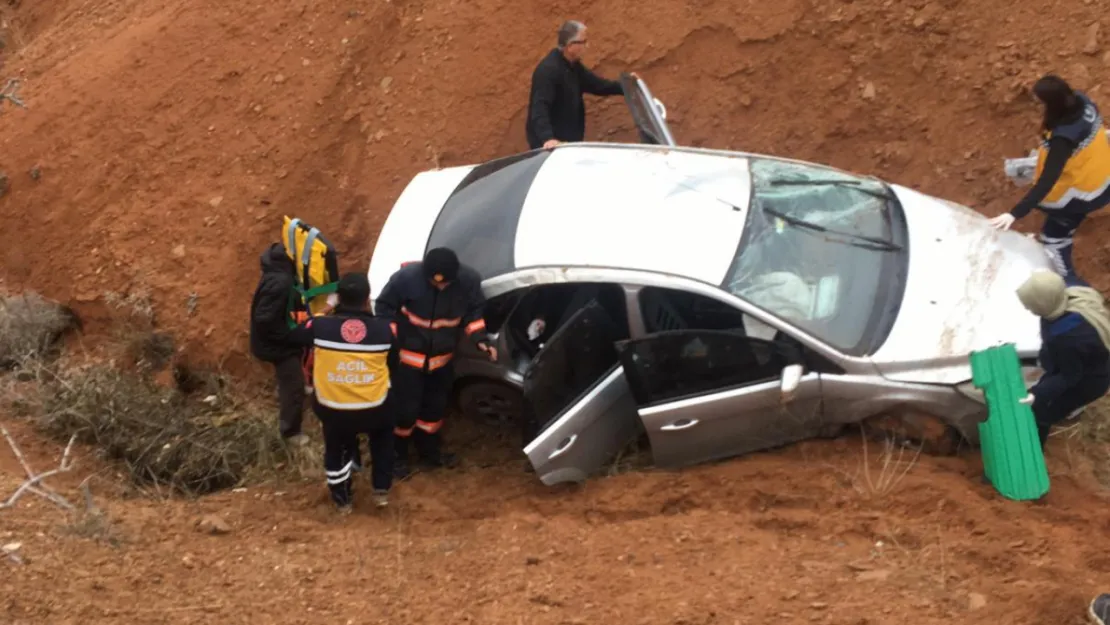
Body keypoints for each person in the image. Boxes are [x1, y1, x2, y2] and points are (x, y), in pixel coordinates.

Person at [374, 247, 497, 477]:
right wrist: (390, 340)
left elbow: (474, 313)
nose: (440, 287)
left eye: (445, 284)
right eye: (435, 283)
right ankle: (397, 456)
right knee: (404, 413)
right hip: (407, 361)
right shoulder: (405, 279)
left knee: (434, 411)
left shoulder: (469, 281)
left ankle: (429, 452)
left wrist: (480, 340)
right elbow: (384, 308)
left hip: (442, 361)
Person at [289, 272, 396, 513]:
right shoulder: (385, 329)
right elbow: (394, 364)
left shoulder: (318, 326)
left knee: (336, 445)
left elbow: (295, 336)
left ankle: (342, 499)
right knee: (383, 438)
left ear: (338, 298)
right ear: (368, 299)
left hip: (332, 407)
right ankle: (381, 491)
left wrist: (325, 311)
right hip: (374, 407)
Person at [989, 74, 1110, 277]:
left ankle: (1068, 281)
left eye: (1040, 101)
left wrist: (1014, 213)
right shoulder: (1083, 102)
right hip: (1100, 175)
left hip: (1077, 196)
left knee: (1055, 238)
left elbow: (1047, 181)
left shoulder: (1062, 139)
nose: (1036, 104)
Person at [1015, 269, 1110, 446]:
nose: (1028, 309)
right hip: (1086, 362)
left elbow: (1070, 376)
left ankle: (1034, 446)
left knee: (1043, 411)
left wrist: (1037, 394)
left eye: (1030, 305)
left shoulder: (1067, 339)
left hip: (1088, 381)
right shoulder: (1070, 294)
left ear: (1043, 305)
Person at [525, 20, 630, 150]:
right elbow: (539, 108)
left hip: (567, 145)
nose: (587, 46)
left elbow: (598, 85)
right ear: (570, 46)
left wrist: (627, 86)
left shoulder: (574, 67)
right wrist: (548, 138)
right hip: (551, 150)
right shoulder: (548, 71)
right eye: (583, 42)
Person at [248, 242, 310, 446]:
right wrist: (290, 336)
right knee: (294, 386)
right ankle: (291, 433)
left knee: (290, 380)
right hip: (276, 346)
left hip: (271, 341)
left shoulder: (275, 274)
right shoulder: (281, 282)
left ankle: (287, 396)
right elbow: (264, 318)